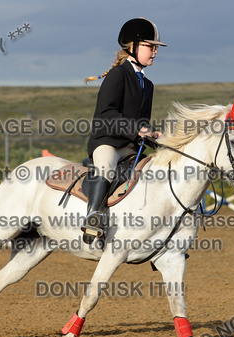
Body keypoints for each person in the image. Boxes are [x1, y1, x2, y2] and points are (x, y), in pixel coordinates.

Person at [81, 17, 166, 241]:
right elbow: (107, 114)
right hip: (107, 142)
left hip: (129, 148)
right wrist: (137, 129)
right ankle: (93, 217)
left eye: (155, 47)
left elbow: (143, 122)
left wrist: (156, 136)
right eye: (150, 46)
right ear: (132, 46)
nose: (155, 52)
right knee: (107, 167)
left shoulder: (148, 85)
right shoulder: (118, 75)